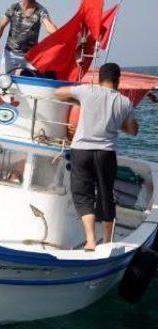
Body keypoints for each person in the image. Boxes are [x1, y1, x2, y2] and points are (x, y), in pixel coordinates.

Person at [55, 63, 139, 251]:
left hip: (81, 151)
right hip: (106, 153)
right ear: (118, 80)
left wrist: (78, 102)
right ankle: (108, 241)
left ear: (99, 78)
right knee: (106, 194)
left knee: (83, 195)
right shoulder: (124, 102)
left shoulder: (87, 91)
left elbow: (59, 92)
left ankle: (91, 240)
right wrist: (118, 123)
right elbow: (133, 130)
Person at [0, 0, 58, 74]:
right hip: (10, 53)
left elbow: (49, 25)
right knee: (4, 82)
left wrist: (59, 35)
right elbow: (1, 26)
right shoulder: (14, 8)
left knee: (33, 81)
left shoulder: (41, 10)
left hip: (30, 56)